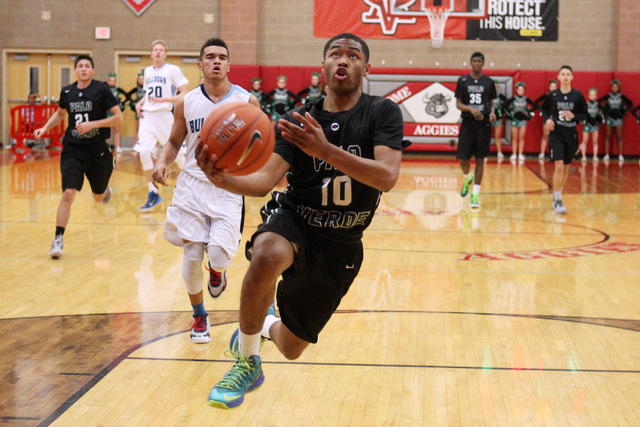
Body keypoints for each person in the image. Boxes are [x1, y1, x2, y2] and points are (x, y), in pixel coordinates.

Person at [196, 32, 407, 409]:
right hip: (297, 218)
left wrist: (326, 150)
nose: (343, 60)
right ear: (322, 66)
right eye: (335, 54)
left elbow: (386, 177)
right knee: (266, 255)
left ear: (367, 68)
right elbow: (262, 183)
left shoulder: (382, 112)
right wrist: (221, 178)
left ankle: (263, 325)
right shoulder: (298, 119)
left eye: (353, 56)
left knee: (292, 347)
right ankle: (246, 360)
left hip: (342, 242)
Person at [151, 38, 261, 343]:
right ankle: (199, 316)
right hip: (192, 186)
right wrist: (162, 161)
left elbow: (261, 143)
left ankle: (218, 270)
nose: (216, 61)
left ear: (228, 64)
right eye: (210, 57)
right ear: (200, 65)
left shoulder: (246, 102)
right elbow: (174, 141)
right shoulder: (186, 103)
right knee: (191, 254)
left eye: (222, 57)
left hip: (227, 186)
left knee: (217, 253)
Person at [34, 54, 123, 258]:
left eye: (87, 66)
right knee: (68, 193)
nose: (83, 69)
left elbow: (119, 117)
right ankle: (58, 239)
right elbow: (60, 113)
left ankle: (103, 190)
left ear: (92, 71)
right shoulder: (68, 91)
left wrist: (94, 124)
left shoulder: (101, 89)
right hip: (73, 148)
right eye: (80, 66)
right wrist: (45, 127)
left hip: (97, 149)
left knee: (98, 197)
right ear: (75, 70)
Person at [134, 40, 189, 211]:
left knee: (178, 155)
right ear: (151, 54)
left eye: (161, 50)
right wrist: (140, 102)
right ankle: (153, 194)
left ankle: (194, 186)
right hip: (148, 116)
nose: (157, 52)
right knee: (143, 152)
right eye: (155, 50)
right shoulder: (148, 71)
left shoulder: (172, 70)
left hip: (165, 116)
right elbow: (149, 93)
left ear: (165, 54)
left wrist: (165, 99)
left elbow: (185, 93)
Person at [540, 65, 587, 215]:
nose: (566, 77)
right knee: (559, 165)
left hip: (571, 134)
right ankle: (558, 199)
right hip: (557, 134)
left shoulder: (578, 95)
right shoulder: (552, 95)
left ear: (572, 77)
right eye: (563, 74)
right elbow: (544, 110)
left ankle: (557, 195)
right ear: (559, 77)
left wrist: (574, 116)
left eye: (568, 74)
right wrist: (547, 121)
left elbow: (585, 115)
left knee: (566, 167)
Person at [455, 52, 497, 210]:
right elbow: (458, 104)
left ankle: (475, 195)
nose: (477, 63)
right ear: (470, 63)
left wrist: (492, 113)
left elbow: (492, 103)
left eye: (480, 61)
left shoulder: (489, 82)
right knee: (463, 159)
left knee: (480, 159)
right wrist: (471, 109)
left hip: (484, 124)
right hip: (468, 123)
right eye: (475, 61)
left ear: (483, 63)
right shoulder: (463, 80)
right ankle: (467, 178)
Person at [598, 80, 633, 162]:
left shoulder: (621, 96)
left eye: (616, 87)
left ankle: (620, 155)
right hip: (610, 118)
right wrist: (605, 110)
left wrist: (624, 111)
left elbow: (630, 103)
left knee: (619, 136)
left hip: (618, 118)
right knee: (608, 136)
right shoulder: (608, 96)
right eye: (613, 87)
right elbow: (598, 102)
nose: (614, 88)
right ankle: (606, 155)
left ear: (618, 88)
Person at [504, 82, 537, 162]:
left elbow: (535, 105)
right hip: (514, 120)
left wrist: (528, 112)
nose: (520, 91)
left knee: (521, 138)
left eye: (522, 90)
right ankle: (514, 153)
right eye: (519, 90)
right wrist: (510, 112)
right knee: (514, 138)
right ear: (516, 90)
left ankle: (520, 153)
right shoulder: (513, 99)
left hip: (523, 120)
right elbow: (505, 105)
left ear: (524, 91)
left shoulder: (526, 99)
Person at [534, 79, 558, 160]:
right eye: (552, 86)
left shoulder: (559, 96)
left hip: (556, 119)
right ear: (549, 87)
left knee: (555, 137)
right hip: (547, 118)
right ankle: (542, 153)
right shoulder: (547, 96)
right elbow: (536, 102)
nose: (553, 88)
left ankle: (555, 153)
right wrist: (541, 110)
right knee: (545, 136)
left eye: (555, 87)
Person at [106, 73, 128, 153]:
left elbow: (127, 96)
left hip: (115, 112)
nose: (112, 82)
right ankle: (106, 146)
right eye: (110, 81)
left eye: (113, 81)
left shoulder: (118, 90)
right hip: (108, 112)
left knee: (116, 129)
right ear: (108, 81)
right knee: (106, 130)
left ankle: (118, 146)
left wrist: (122, 103)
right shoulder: (105, 89)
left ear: (115, 82)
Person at [580, 88, 604, 162]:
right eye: (591, 95)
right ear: (588, 95)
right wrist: (584, 120)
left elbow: (602, 115)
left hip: (595, 125)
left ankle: (595, 156)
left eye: (594, 95)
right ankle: (583, 156)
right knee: (584, 141)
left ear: (596, 96)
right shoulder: (585, 105)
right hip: (587, 124)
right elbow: (581, 115)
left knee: (595, 141)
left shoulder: (599, 105)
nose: (592, 96)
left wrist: (599, 120)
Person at [491, 81, 508, 160]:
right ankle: (485, 153)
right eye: (494, 86)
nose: (495, 88)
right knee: (486, 136)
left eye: (496, 86)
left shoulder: (500, 96)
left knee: (498, 136)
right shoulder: (488, 95)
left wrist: (502, 110)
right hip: (489, 118)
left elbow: (508, 102)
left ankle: (499, 152)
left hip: (498, 118)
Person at [127, 73, 145, 143]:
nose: (141, 80)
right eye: (139, 79)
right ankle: (136, 144)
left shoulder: (147, 88)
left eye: (142, 79)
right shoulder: (136, 89)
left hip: (147, 110)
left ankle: (145, 144)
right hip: (139, 110)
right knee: (138, 128)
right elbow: (128, 94)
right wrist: (133, 102)